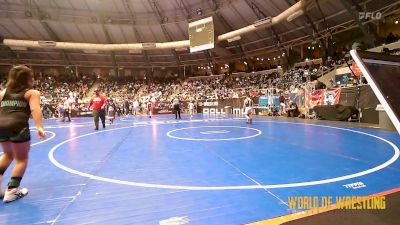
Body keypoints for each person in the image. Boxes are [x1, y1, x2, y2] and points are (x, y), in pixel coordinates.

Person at [0, 65, 46, 203]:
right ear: (28, 79)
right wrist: (39, 127)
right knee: (21, 159)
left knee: (8, 155)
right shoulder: (31, 93)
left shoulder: (3, 92)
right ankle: (12, 191)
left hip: (1, 126)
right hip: (18, 126)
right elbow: (35, 109)